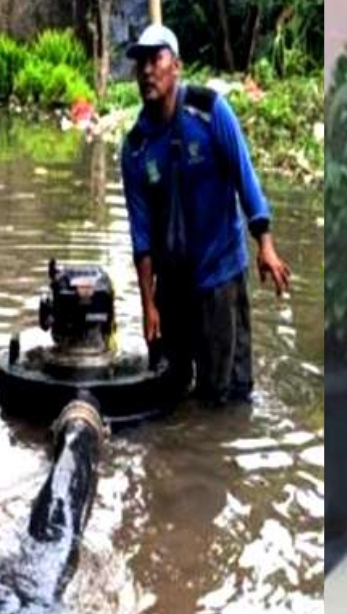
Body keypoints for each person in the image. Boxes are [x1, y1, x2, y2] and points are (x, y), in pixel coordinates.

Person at [120, 22, 291, 404]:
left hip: (220, 276)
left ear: (176, 65)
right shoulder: (135, 148)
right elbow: (141, 235)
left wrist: (265, 244)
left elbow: (245, 178)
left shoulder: (211, 111)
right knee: (167, 392)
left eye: (155, 59)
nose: (146, 70)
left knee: (225, 398)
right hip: (172, 287)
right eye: (140, 63)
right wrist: (148, 304)